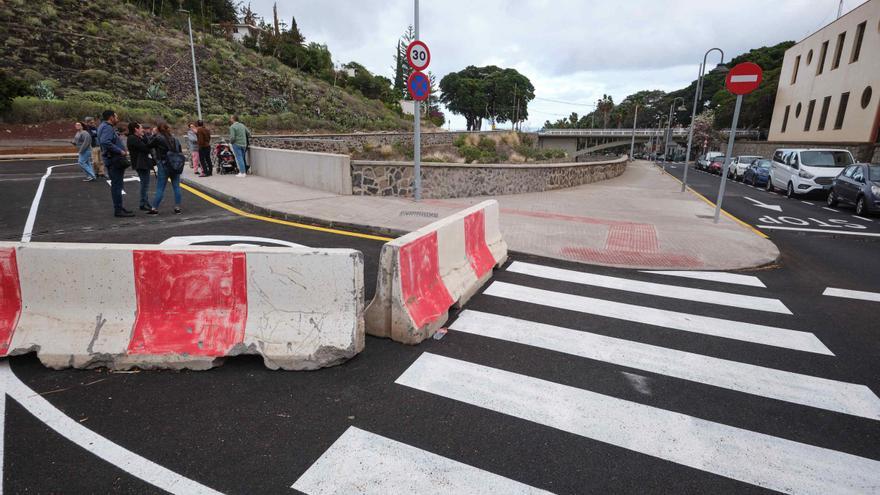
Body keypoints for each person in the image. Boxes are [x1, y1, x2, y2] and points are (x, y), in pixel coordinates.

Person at [97, 110, 133, 217]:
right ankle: (118, 210)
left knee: (117, 185)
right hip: (114, 160)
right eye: (116, 117)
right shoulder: (107, 127)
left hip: (112, 160)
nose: (117, 119)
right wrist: (120, 150)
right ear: (111, 117)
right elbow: (105, 142)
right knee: (117, 185)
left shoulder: (103, 126)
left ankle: (120, 207)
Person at [147, 121, 183, 215]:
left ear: (158, 130)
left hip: (163, 164)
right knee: (176, 187)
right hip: (175, 164)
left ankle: (154, 208)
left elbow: (149, 145)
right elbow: (179, 150)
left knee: (160, 187)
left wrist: (153, 134)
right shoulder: (175, 139)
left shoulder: (158, 138)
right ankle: (177, 207)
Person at [126, 121, 155, 212]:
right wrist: (145, 137)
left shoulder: (137, 138)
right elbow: (146, 148)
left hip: (142, 163)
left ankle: (145, 202)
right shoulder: (133, 138)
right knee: (144, 184)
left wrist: (143, 136)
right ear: (136, 129)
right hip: (140, 163)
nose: (143, 130)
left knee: (145, 184)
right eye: (141, 128)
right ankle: (143, 203)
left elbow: (147, 145)